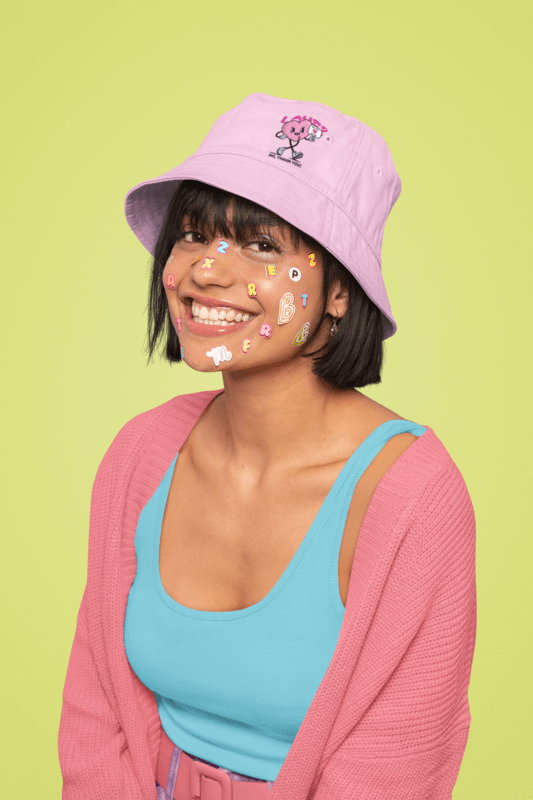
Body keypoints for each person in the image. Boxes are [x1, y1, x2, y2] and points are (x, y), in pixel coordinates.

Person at [58, 93, 477, 800]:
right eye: (192, 234)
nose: (205, 272)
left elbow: (394, 765)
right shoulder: (142, 453)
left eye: (260, 245)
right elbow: (95, 708)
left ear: (338, 290)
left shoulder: (410, 495)